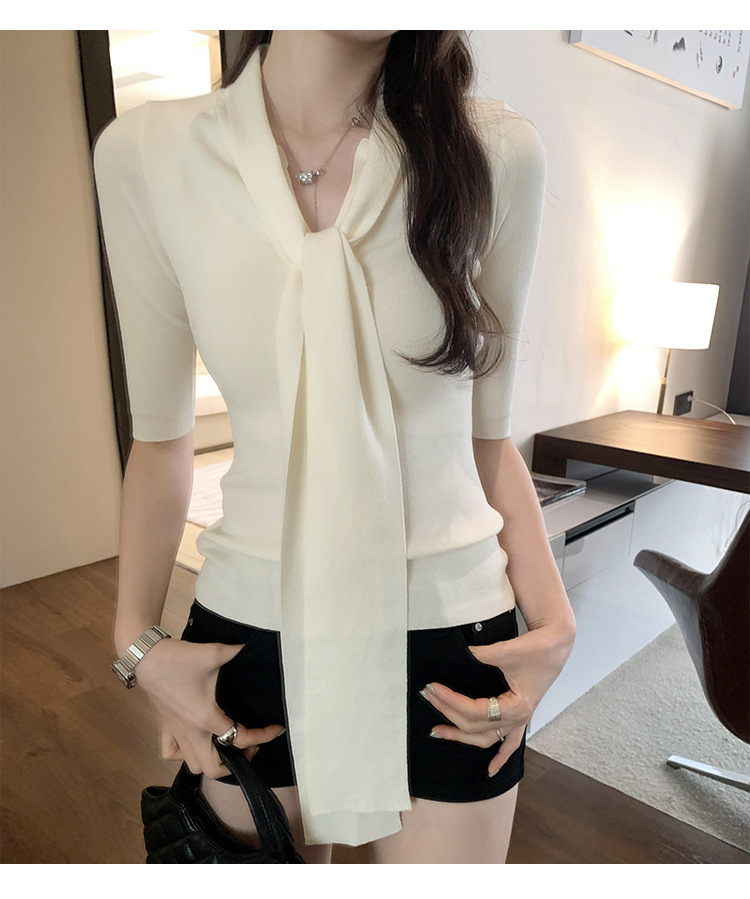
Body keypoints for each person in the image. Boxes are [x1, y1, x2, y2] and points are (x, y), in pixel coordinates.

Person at [93, 30, 576, 864]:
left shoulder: (498, 153)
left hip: (452, 639)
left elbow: (485, 440)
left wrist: (557, 621)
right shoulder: (146, 154)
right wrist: (136, 642)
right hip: (249, 637)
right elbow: (161, 440)